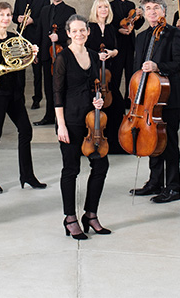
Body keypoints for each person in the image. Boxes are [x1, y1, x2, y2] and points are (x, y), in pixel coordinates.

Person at [0, 2, 44, 193]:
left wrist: (32, 54)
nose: (6, 18)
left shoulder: (15, 37)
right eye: (2, 15)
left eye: (9, 15)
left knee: (26, 130)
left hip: (15, 93)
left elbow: (22, 61)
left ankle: (27, 175)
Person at [54, 14, 111, 240]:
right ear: (68, 34)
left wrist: (98, 100)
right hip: (70, 120)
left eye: (83, 30)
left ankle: (91, 214)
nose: (79, 34)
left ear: (88, 32)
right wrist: (61, 126)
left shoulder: (95, 56)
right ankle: (70, 218)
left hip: (92, 122)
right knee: (71, 170)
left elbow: (97, 87)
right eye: (74, 31)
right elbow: (57, 94)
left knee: (100, 167)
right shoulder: (63, 58)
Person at [128, 0, 180, 204]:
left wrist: (158, 66)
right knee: (152, 142)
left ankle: (173, 187)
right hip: (147, 99)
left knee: (169, 143)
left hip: (167, 98)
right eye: (148, 8)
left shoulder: (173, 34)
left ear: (164, 11)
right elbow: (137, 68)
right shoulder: (142, 37)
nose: (152, 12)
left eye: (156, 8)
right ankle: (154, 182)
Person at [35, 0, 77, 126]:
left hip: (62, 54)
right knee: (48, 86)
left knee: (62, 86)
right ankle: (48, 116)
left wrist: (59, 37)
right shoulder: (44, 10)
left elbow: (72, 32)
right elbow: (40, 32)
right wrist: (36, 53)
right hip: (47, 54)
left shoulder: (70, 10)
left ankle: (63, 116)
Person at [86, 0, 124, 154]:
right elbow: (85, 49)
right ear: (95, 9)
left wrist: (111, 53)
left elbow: (116, 48)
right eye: (100, 7)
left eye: (106, 7)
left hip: (108, 73)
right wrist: (97, 56)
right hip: (94, 72)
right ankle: (94, 141)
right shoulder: (90, 27)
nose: (103, 10)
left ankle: (115, 143)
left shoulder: (110, 28)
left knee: (117, 105)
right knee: (94, 105)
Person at [13, 0, 50, 109]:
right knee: (20, 70)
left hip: (37, 37)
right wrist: (18, 18)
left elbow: (46, 18)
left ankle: (37, 99)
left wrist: (33, 20)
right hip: (22, 38)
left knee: (37, 71)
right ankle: (20, 98)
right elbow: (14, 15)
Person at [110, 0, 144, 104]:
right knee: (116, 74)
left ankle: (129, 100)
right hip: (117, 44)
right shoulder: (111, 5)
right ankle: (115, 101)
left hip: (130, 44)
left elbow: (137, 25)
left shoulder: (131, 5)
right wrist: (118, 30)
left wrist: (140, 16)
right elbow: (109, 24)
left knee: (131, 73)